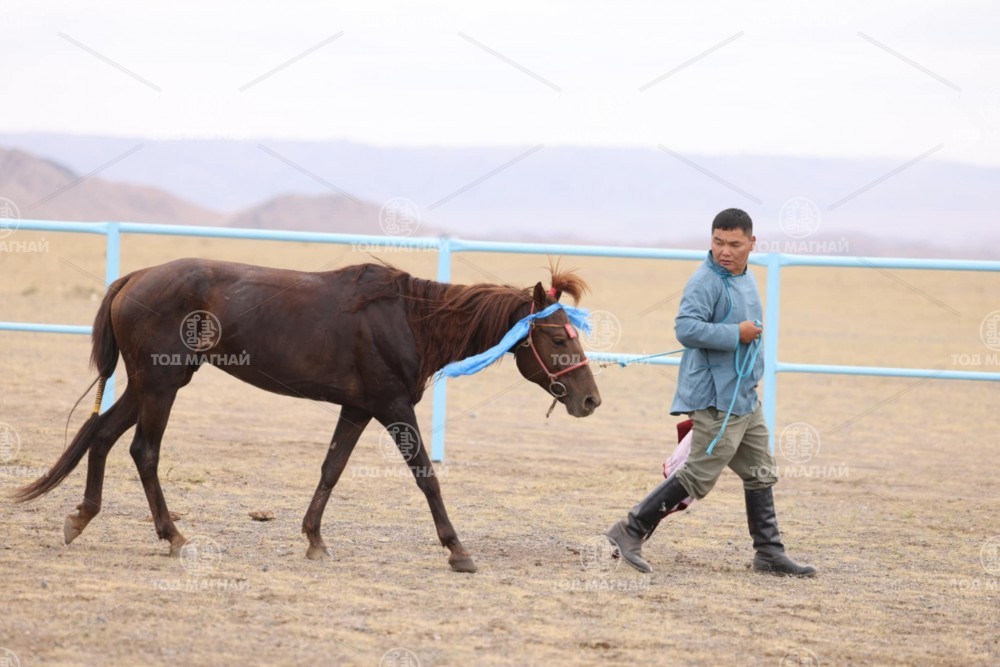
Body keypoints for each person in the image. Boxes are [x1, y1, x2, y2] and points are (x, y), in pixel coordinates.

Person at [605, 208, 816, 577]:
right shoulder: (705, 281)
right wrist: (737, 334)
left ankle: (768, 553)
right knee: (699, 474)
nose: (725, 251)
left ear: (752, 243)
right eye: (718, 242)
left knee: (760, 471)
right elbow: (686, 328)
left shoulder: (745, 277)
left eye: (734, 244)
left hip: (743, 396)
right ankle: (630, 529)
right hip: (716, 397)